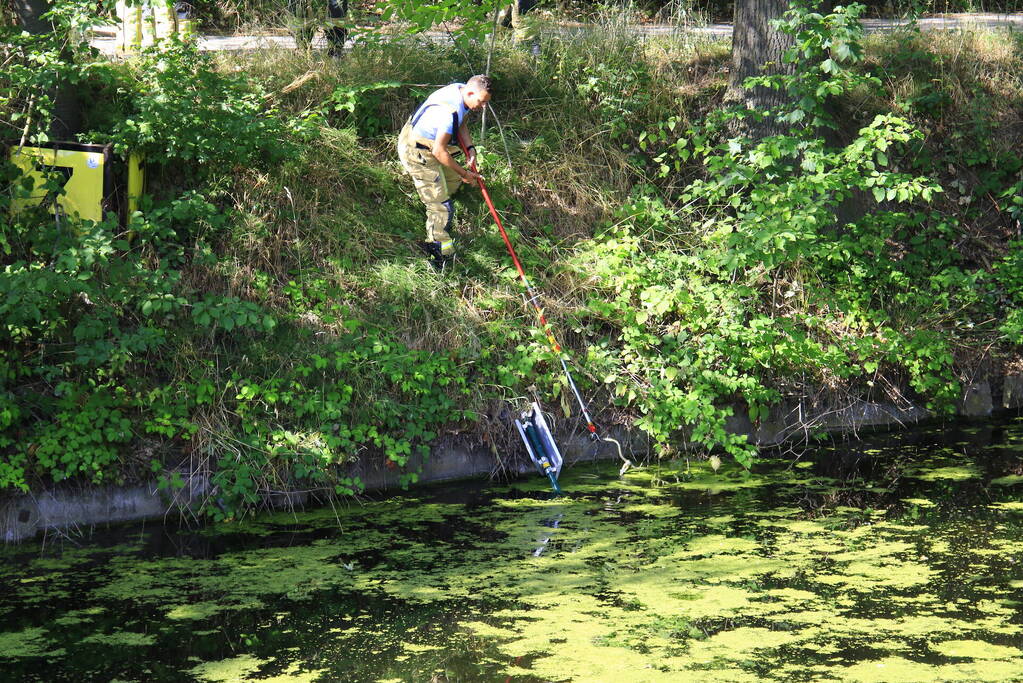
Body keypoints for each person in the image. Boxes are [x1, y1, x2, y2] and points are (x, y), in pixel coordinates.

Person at [398, 75, 492, 270]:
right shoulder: (448, 112)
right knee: (441, 206)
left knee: (454, 181)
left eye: (486, 102)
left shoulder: (461, 90)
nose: (483, 106)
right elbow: (439, 152)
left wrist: (470, 148)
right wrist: (466, 174)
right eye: (481, 101)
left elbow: (462, 123)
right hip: (416, 150)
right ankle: (439, 253)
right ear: (470, 92)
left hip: (433, 143)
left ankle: (437, 200)